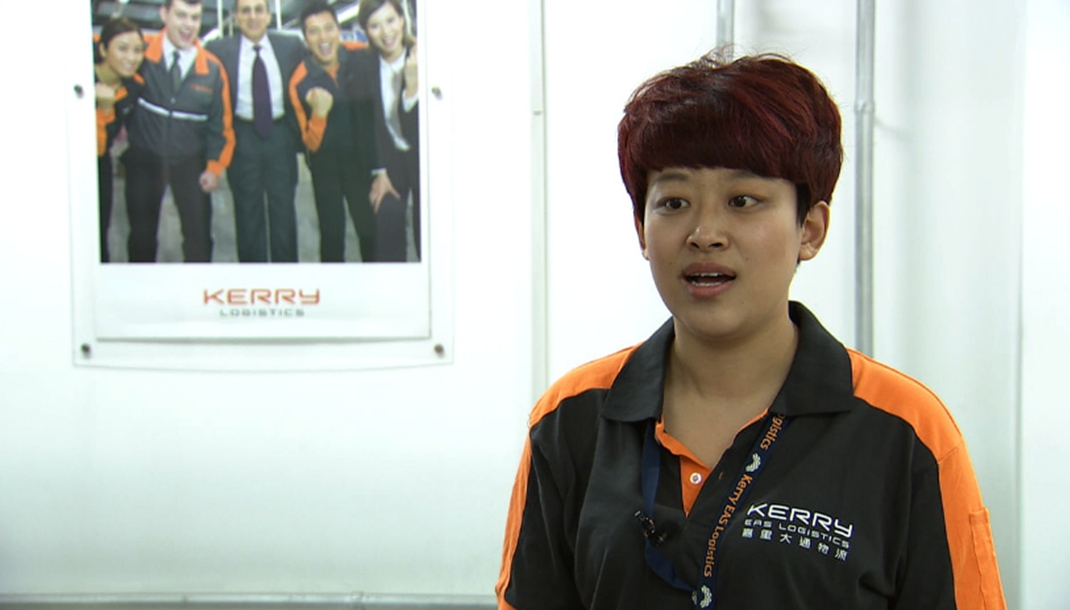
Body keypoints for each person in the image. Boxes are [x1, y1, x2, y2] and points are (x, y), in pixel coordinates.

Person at [496, 51, 1007, 610]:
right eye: (674, 202)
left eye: (743, 201)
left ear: (810, 229)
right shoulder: (572, 417)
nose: (705, 232)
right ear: (641, 229)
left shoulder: (906, 431)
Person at [123, 0, 235, 263]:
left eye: (195, 18)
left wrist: (214, 167)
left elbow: (221, 124)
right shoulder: (140, 56)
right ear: (164, 14)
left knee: (199, 239)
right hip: (144, 159)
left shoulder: (213, 70)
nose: (188, 25)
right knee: (141, 237)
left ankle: (197, 288)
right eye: (181, 16)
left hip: (190, 161)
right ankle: (142, 286)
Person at [206, 0, 305, 263]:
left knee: (284, 210)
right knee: (247, 212)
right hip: (241, 138)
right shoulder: (219, 50)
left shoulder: (291, 47)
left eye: (259, 10)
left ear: (269, 16)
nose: (253, 16)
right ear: (235, 17)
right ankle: (253, 274)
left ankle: (286, 273)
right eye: (245, 10)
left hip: (281, 136)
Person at [288, 0, 377, 262]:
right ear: (305, 38)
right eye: (314, 31)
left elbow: (394, 49)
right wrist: (319, 115)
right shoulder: (299, 81)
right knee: (332, 235)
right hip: (324, 166)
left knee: (370, 231)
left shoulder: (360, 54)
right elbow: (309, 143)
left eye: (328, 28)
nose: (323, 38)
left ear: (339, 30)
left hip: (361, 162)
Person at [354, 0, 420, 262]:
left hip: (425, 158)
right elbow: (366, 125)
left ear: (402, 20)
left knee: (427, 234)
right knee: (386, 221)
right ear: (365, 31)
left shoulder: (424, 59)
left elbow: (419, 132)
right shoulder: (364, 66)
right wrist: (378, 170)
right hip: (390, 160)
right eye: (375, 25)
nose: (386, 32)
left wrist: (412, 88)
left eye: (391, 21)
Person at [94, 17, 145, 263]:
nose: (131, 58)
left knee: (99, 229)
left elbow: (102, 150)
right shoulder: (80, 77)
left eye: (137, 50)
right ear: (103, 50)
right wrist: (104, 110)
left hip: (101, 163)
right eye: (122, 48)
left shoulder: (133, 86)